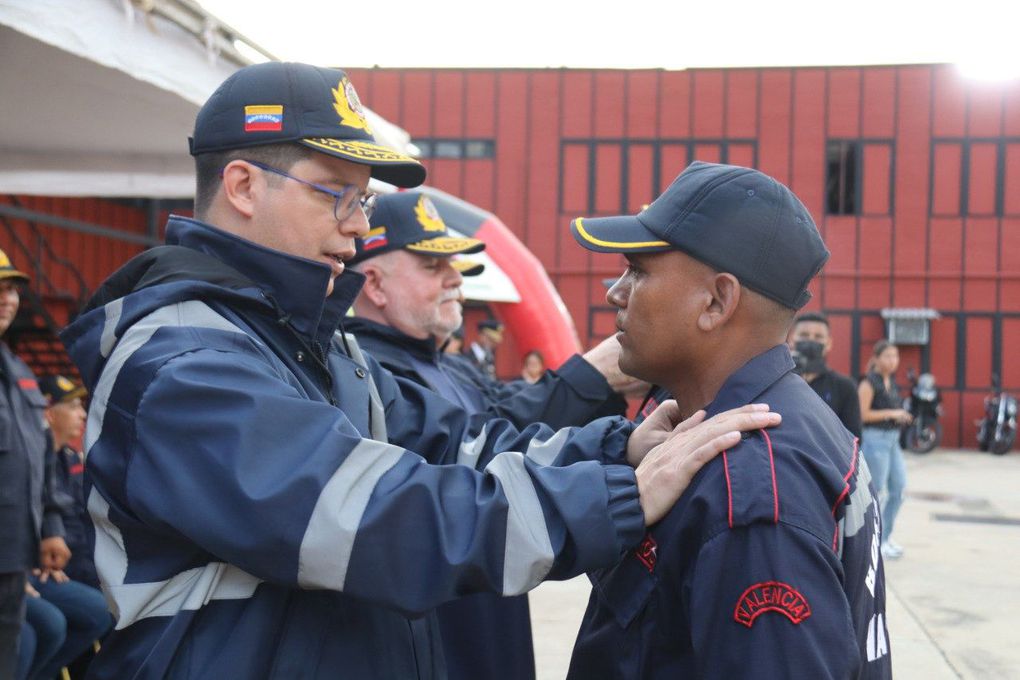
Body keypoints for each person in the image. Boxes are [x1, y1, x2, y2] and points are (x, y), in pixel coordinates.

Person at [59, 62, 779, 679]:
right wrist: (618, 496)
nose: (358, 225)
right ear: (244, 186)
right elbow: (378, 519)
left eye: (364, 199)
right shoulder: (182, 363)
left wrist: (615, 448)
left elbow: (457, 446)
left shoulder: (308, 345)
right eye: (336, 193)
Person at [568, 161, 891, 679]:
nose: (616, 292)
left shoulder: (754, 491)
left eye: (639, 270)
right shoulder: (774, 429)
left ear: (717, 301)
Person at [347, 191, 635, 680]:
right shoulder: (365, 374)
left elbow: (510, 430)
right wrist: (591, 375)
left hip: (489, 628)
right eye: (433, 265)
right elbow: (483, 447)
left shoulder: (449, 366)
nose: (455, 278)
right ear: (373, 282)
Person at [0, 249, 70, 680]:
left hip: (13, 553)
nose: (8, 299)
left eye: (11, 290)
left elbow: (41, 457)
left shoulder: (20, 371)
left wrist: (51, 527)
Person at [858, 340, 912, 560]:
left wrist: (900, 415)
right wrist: (892, 413)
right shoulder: (869, 383)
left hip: (892, 440)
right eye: (888, 356)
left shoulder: (892, 382)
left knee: (899, 489)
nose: (893, 361)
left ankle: (885, 537)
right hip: (874, 439)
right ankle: (873, 541)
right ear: (877, 358)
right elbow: (864, 415)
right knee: (876, 491)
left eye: (896, 356)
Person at [789, 311, 863, 439]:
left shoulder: (845, 387)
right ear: (791, 339)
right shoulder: (776, 380)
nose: (811, 341)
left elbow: (854, 438)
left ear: (828, 343)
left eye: (818, 337)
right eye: (804, 335)